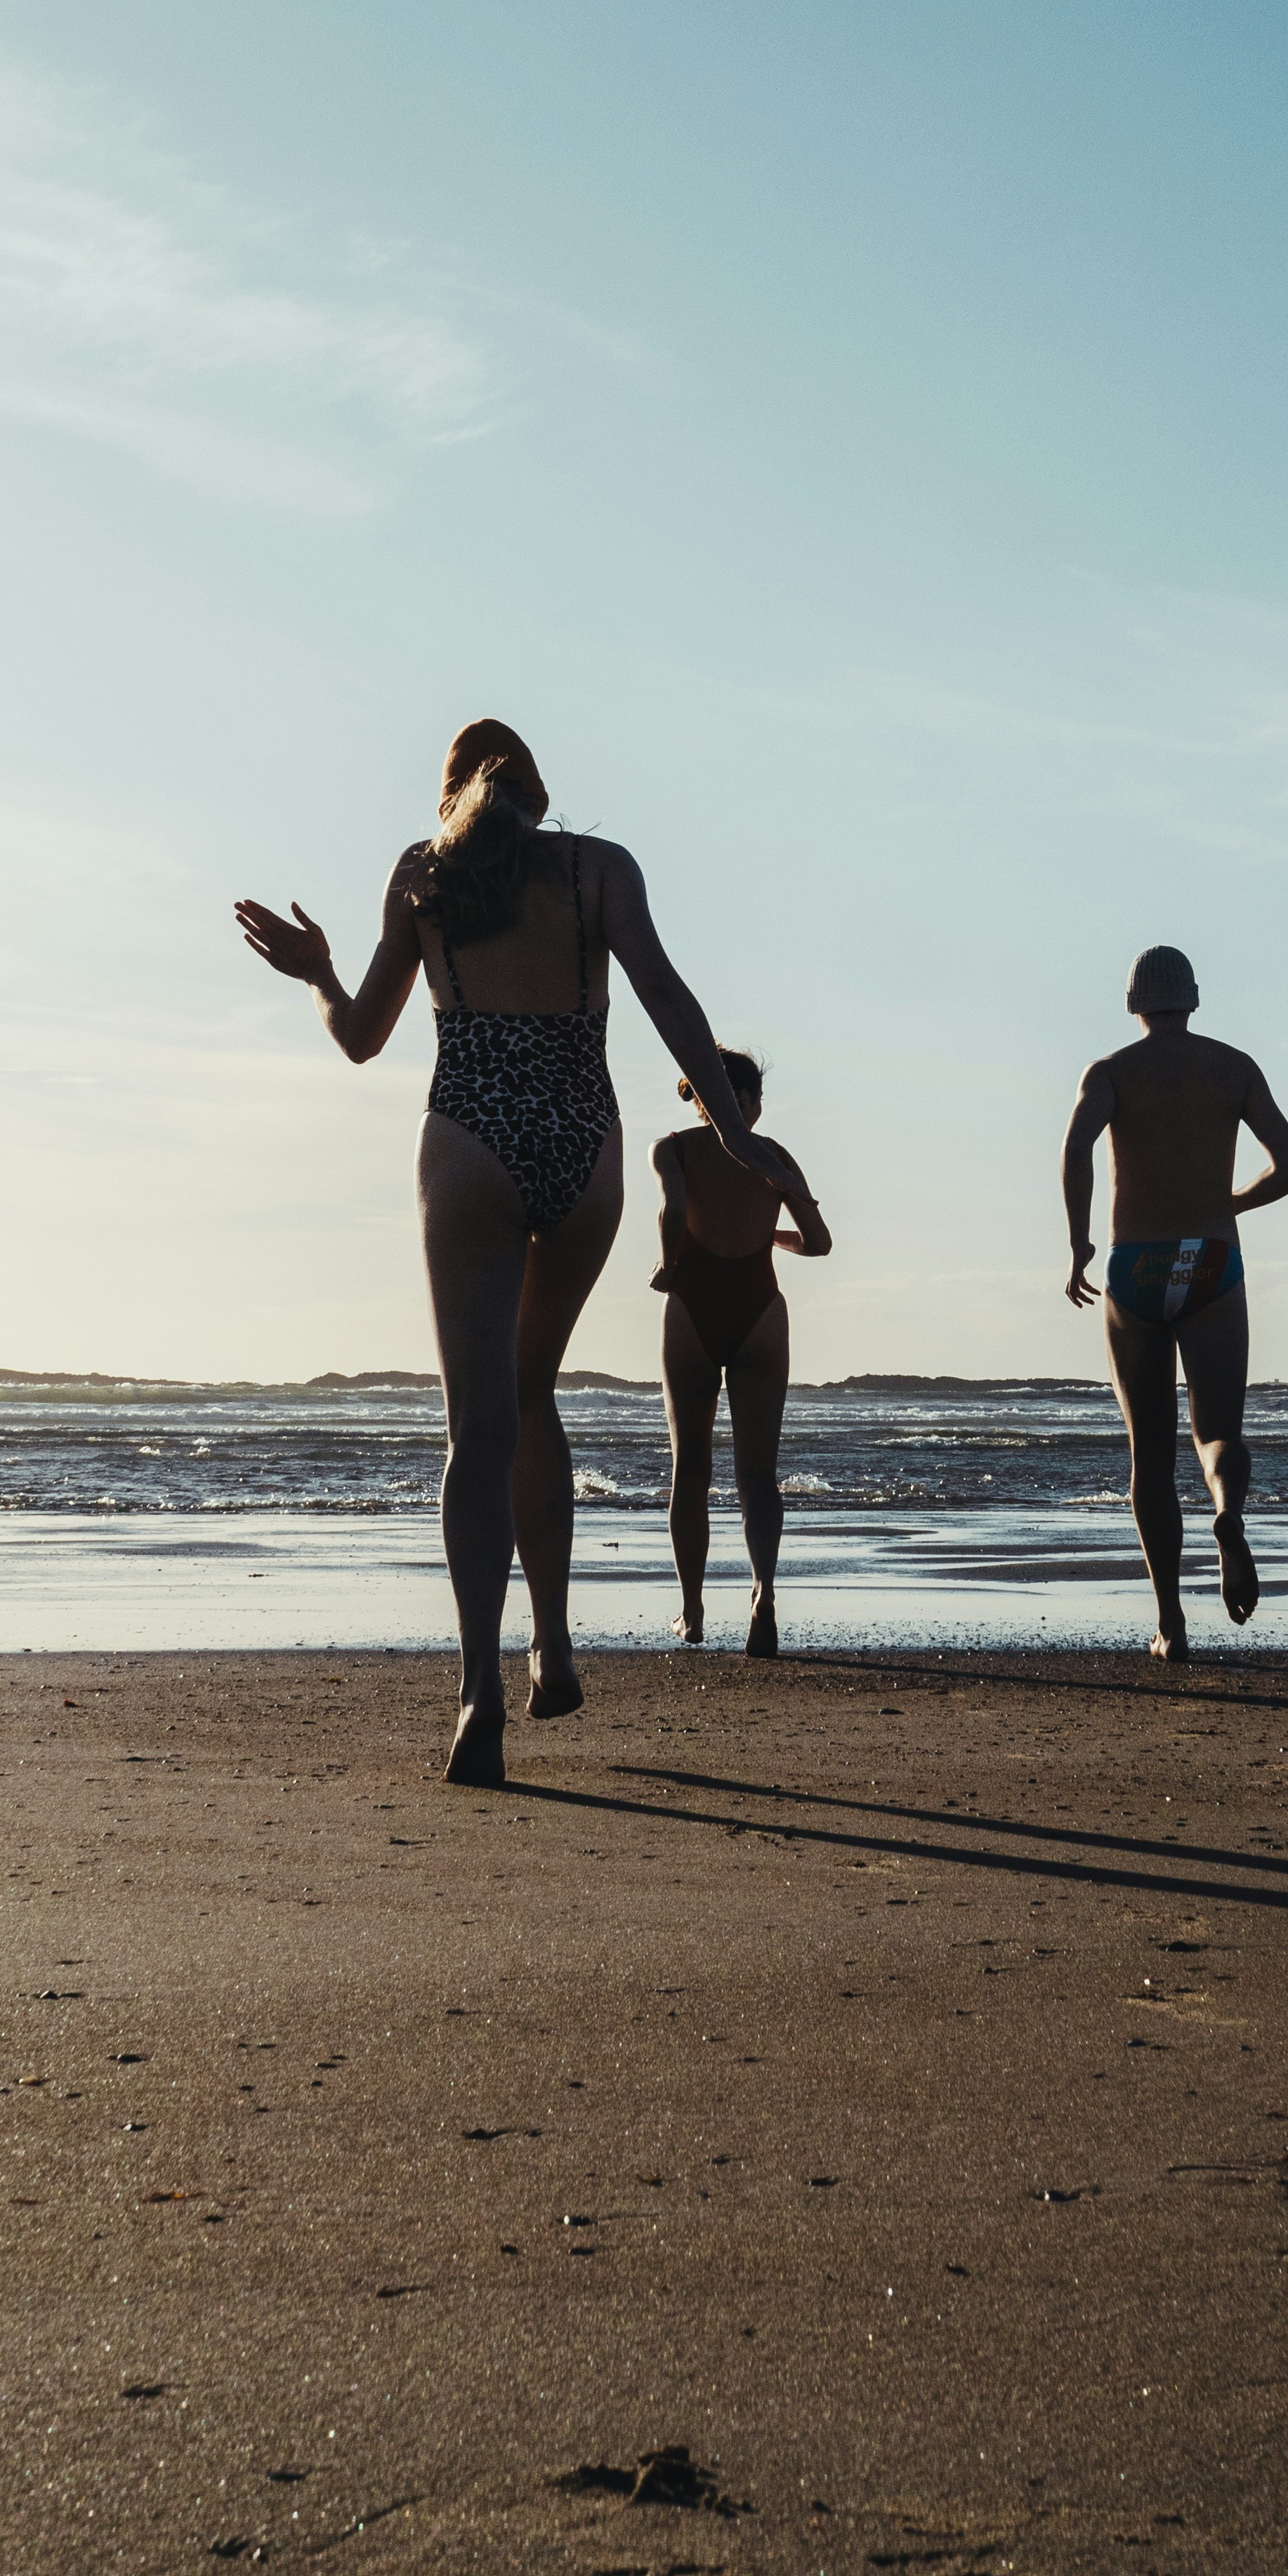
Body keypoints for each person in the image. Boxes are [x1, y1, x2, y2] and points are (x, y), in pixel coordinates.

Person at [235, 721, 777, 1788]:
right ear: (541, 794)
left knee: (475, 1422)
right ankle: (556, 1644)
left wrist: (318, 970)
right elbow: (668, 999)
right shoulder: (598, 868)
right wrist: (731, 1128)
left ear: (452, 798)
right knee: (534, 1393)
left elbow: (359, 1037)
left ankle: (481, 1684)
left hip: (470, 1138)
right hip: (584, 1143)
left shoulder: (422, 874)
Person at [1061, 945, 1288, 1661]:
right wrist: (1227, 1202)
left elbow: (1076, 1144)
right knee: (1216, 1431)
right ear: (1193, 999)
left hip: (1133, 1262)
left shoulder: (1109, 1071)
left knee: (1149, 1456)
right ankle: (1227, 1515)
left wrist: (1077, 1241)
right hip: (1209, 1260)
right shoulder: (1232, 1066)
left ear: (1133, 1003)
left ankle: (1170, 1622)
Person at [650, 1049, 832, 1657]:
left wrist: (668, 1263)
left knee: (690, 1471)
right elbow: (821, 1242)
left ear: (703, 1100)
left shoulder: (674, 1147)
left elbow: (675, 1209)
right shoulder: (775, 1157)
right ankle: (763, 1591)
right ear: (753, 1104)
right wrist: (770, 1235)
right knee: (758, 1474)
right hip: (761, 1310)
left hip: (693, 1309)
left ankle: (693, 1610)